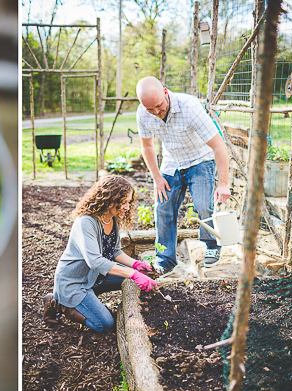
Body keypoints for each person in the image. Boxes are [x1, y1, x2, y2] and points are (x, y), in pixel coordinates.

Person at [135, 76, 231, 272]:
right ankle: (165, 259)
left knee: (204, 206)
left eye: (159, 106)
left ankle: (212, 245)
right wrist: (157, 178)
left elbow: (219, 146)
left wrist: (223, 183)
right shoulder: (143, 114)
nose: (156, 112)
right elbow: (147, 146)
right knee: (163, 208)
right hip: (172, 162)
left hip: (200, 160)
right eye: (150, 109)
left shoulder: (189, 107)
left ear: (165, 92)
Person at [42, 175, 158, 333]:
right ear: (109, 199)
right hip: (74, 283)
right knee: (105, 324)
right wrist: (133, 274)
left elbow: (115, 251)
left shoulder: (113, 218)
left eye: (129, 202)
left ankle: (81, 301)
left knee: (136, 277)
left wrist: (137, 266)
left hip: (95, 277)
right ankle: (60, 304)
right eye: (123, 202)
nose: (127, 207)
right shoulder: (86, 222)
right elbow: (95, 262)